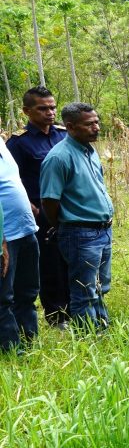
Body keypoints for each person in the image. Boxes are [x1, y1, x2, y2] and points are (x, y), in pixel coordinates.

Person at [40, 103, 114, 330]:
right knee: (84, 290)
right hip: (80, 232)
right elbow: (49, 200)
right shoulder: (59, 158)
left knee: (100, 286)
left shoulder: (89, 150)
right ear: (70, 127)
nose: (96, 127)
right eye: (89, 124)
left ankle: (101, 328)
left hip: (102, 229)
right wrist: (62, 225)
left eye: (97, 122)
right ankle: (88, 338)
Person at [6, 86, 70, 328]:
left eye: (52, 107)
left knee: (72, 259)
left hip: (70, 211)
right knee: (49, 264)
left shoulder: (64, 135)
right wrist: (29, 205)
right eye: (42, 108)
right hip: (40, 214)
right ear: (27, 111)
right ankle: (57, 315)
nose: (50, 113)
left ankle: (76, 308)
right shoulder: (18, 143)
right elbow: (12, 179)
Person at [0, 137, 40, 352]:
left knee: (28, 290)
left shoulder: (2, 143)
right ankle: (12, 350)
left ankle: (29, 339)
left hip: (25, 229)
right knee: (3, 298)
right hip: (5, 237)